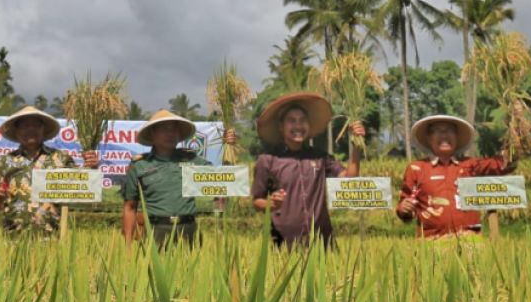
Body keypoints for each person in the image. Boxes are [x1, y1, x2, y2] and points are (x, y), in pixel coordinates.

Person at [250, 92, 364, 247]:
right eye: (292, 121)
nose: (298, 126)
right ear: (281, 127)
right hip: (284, 242)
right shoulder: (268, 161)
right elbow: (257, 201)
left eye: (302, 121)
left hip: (321, 240)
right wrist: (271, 204)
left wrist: (355, 145)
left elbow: (350, 179)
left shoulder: (320, 157)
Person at [121, 110, 235, 247]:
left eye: (174, 129)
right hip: (156, 231)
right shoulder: (139, 165)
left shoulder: (192, 159)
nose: (170, 134)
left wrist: (230, 148)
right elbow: (130, 207)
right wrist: (127, 245)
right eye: (164, 129)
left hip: (188, 230)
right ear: (152, 133)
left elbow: (222, 183)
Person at [0, 105, 99, 235]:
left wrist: (92, 168)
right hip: (12, 242)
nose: (31, 129)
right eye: (25, 126)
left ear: (43, 130)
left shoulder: (61, 159)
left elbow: (85, 191)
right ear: (16, 131)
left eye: (36, 125)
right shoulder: (3, 163)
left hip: (51, 242)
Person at [395, 115, 515, 238]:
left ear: (457, 137)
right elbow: (405, 208)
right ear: (429, 138)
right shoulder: (417, 169)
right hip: (431, 242)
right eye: (437, 130)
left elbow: (504, 164)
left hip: (470, 240)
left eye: (450, 130)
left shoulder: (471, 165)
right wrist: (404, 209)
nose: (444, 135)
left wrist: (517, 131)